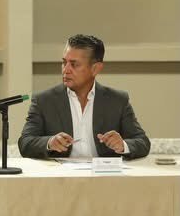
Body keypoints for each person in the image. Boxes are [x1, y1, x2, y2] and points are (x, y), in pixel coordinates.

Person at [18, 34, 150, 159]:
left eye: (74, 64)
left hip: (103, 173)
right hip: (61, 174)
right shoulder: (44, 101)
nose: (66, 70)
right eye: (64, 62)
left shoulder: (117, 101)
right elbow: (25, 143)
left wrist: (123, 145)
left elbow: (142, 142)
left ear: (95, 69)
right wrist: (49, 142)